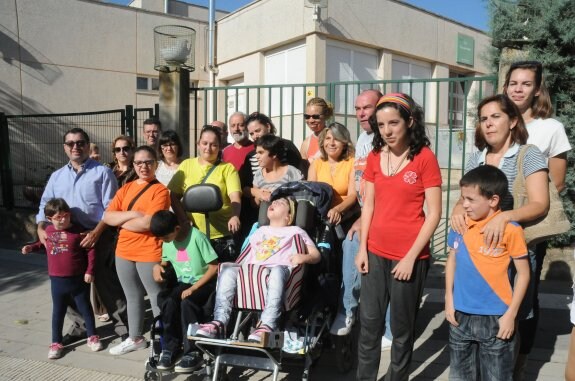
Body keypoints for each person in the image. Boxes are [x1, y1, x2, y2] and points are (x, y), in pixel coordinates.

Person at [449, 94, 550, 376]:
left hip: (515, 245)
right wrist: (458, 209)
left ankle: (515, 368)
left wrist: (505, 216)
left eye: (496, 117)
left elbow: (540, 203)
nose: (489, 124)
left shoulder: (527, 153)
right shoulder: (476, 156)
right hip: (478, 253)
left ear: (513, 120)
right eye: (484, 119)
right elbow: (466, 196)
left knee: (514, 317)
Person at [355, 93, 442, 381]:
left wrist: (410, 258)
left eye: (394, 123)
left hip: (409, 258)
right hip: (375, 253)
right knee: (368, 326)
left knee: (402, 331)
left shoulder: (424, 158)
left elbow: (434, 214)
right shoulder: (374, 157)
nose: (387, 130)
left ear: (410, 121)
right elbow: (368, 205)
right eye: (381, 125)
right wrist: (362, 249)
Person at [504, 60, 572, 376]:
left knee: (525, 296)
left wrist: (521, 210)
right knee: (494, 292)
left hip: (527, 226)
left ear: (537, 89)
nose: (518, 88)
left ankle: (521, 358)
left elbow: (556, 182)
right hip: (489, 225)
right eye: (513, 82)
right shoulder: (497, 120)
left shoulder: (550, 128)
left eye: (526, 83)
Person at [36, 127, 127, 346]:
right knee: (69, 283)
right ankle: (80, 326)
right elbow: (44, 205)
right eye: (70, 143)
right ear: (65, 148)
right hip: (65, 240)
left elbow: (111, 208)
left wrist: (97, 232)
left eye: (80, 142)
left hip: (98, 235)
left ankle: (124, 326)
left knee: (106, 283)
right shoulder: (57, 177)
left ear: (87, 145)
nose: (75, 147)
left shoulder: (102, 173)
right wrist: (40, 228)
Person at [445, 165, 530, 381]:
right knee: (460, 376)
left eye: (470, 199)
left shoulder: (511, 229)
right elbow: (452, 259)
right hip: (460, 316)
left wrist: (511, 314)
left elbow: (524, 273)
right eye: (462, 198)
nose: (464, 204)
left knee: (497, 376)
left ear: (493, 200)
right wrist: (448, 299)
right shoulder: (460, 224)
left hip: (496, 318)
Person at [195, 197, 321, 342]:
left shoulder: (295, 231)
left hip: (279, 271)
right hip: (253, 273)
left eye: (281, 203)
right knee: (228, 270)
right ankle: (219, 322)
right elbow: (245, 255)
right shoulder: (260, 230)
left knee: (277, 271)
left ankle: (268, 324)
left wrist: (303, 258)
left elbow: (316, 255)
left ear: (289, 216)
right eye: (273, 201)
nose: (274, 203)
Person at [331, 89, 393, 349]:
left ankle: (387, 327)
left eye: (367, 107)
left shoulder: (389, 139)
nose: (362, 113)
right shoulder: (363, 138)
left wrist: (364, 218)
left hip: (388, 217)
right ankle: (348, 311)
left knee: (389, 271)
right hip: (365, 213)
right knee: (351, 246)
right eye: (358, 109)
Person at [103, 145, 171, 355]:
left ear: (156, 164)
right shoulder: (126, 188)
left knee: (155, 295)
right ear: (133, 165)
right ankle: (135, 337)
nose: (144, 166)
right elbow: (107, 216)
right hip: (124, 250)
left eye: (149, 162)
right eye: (139, 162)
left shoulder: (160, 190)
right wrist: (133, 214)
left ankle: (162, 340)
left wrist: (121, 220)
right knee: (131, 296)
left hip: (149, 250)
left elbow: (149, 224)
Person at [23, 198, 103, 359]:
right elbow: (41, 243)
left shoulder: (78, 232)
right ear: (49, 219)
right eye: (58, 217)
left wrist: (89, 271)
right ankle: (56, 342)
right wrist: (31, 247)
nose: (63, 220)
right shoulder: (50, 232)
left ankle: (92, 336)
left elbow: (90, 251)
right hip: (57, 281)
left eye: (66, 215)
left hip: (79, 279)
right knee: (58, 312)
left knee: (85, 308)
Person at [150, 210, 218, 372]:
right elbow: (165, 262)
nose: (164, 241)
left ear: (177, 229)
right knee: (168, 300)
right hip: (184, 282)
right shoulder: (167, 242)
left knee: (188, 302)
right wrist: (157, 266)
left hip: (204, 282)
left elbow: (214, 267)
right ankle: (171, 347)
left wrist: (195, 287)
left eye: (166, 237)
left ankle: (193, 351)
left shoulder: (197, 237)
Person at [169, 126, 242, 261]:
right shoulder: (186, 165)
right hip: (194, 234)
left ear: (220, 147)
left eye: (214, 145)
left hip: (221, 236)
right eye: (205, 143)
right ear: (198, 144)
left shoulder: (227, 169)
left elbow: (235, 197)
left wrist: (235, 216)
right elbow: (173, 196)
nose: (208, 148)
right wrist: (184, 220)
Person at [307, 122, 356, 225]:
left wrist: (338, 209)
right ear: (323, 142)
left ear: (344, 143)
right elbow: (310, 194)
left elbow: (352, 195)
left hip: (345, 215)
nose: (332, 143)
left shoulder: (352, 163)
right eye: (328, 138)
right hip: (320, 216)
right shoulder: (316, 164)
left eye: (337, 139)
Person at [248, 134, 303, 205]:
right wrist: (259, 196)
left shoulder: (292, 172)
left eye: (261, 153)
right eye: (257, 153)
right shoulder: (258, 175)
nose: (257, 157)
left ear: (274, 154)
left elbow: (301, 198)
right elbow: (254, 203)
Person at [300, 97, 333, 163]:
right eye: (307, 116)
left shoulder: (335, 139)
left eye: (315, 117)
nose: (311, 120)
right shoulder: (306, 143)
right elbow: (302, 169)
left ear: (325, 115)